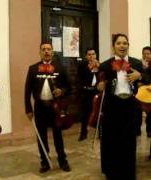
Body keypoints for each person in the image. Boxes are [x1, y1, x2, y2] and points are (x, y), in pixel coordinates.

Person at [97, 33, 149, 180]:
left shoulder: (136, 64)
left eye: (125, 43)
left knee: (129, 141)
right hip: (111, 108)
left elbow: (149, 79)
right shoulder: (105, 65)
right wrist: (99, 85)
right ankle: (111, 171)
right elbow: (99, 83)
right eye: (119, 43)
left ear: (128, 46)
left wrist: (139, 76)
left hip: (130, 107)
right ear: (113, 46)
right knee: (111, 141)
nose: (122, 46)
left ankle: (128, 172)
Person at [24, 41, 71, 173]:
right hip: (39, 108)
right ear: (39, 52)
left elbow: (69, 87)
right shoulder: (33, 69)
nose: (46, 51)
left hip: (55, 108)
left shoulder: (60, 68)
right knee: (41, 136)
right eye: (43, 49)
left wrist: (61, 91)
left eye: (48, 49)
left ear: (52, 52)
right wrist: (28, 109)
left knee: (58, 136)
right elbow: (27, 91)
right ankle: (44, 162)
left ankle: (63, 160)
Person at [77, 48, 99, 141]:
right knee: (85, 113)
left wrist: (97, 68)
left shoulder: (100, 65)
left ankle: (100, 132)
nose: (91, 56)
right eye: (89, 54)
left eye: (93, 54)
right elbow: (79, 78)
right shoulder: (82, 65)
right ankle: (83, 133)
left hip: (96, 91)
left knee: (99, 112)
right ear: (86, 56)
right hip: (86, 92)